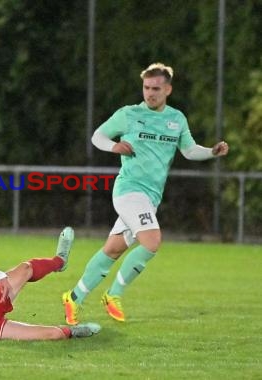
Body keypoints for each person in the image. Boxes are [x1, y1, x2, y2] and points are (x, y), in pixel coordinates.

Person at [62, 63, 229, 325]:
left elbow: (188, 150)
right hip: (129, 190)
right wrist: (114, 146)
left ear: (168, 90)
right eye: (146, 88)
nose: (150, 93)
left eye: (156, 88)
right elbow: (98, 136)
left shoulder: (177, 119)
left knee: (113, 250)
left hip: (150, 198)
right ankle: (114, 294)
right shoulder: (129, 114)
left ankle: (74, 297)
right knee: (152, 242)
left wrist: (211, 152)